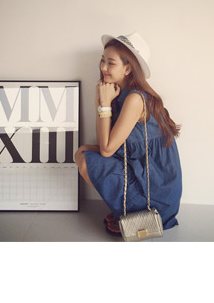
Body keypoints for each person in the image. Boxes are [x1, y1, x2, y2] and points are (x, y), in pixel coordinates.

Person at [76, 36, 182, 234]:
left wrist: (103, 103)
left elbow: (106, 150)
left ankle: (133, 213)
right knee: (83, 152)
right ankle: (126, 208)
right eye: (102, 60)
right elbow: (105, 141)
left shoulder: (135, 99)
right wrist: (102, 100)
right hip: (139, 173)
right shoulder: (120, 93)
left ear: (128, 69)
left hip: (155, 198)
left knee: (85, 160)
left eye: (111, 63)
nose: (103, 67)